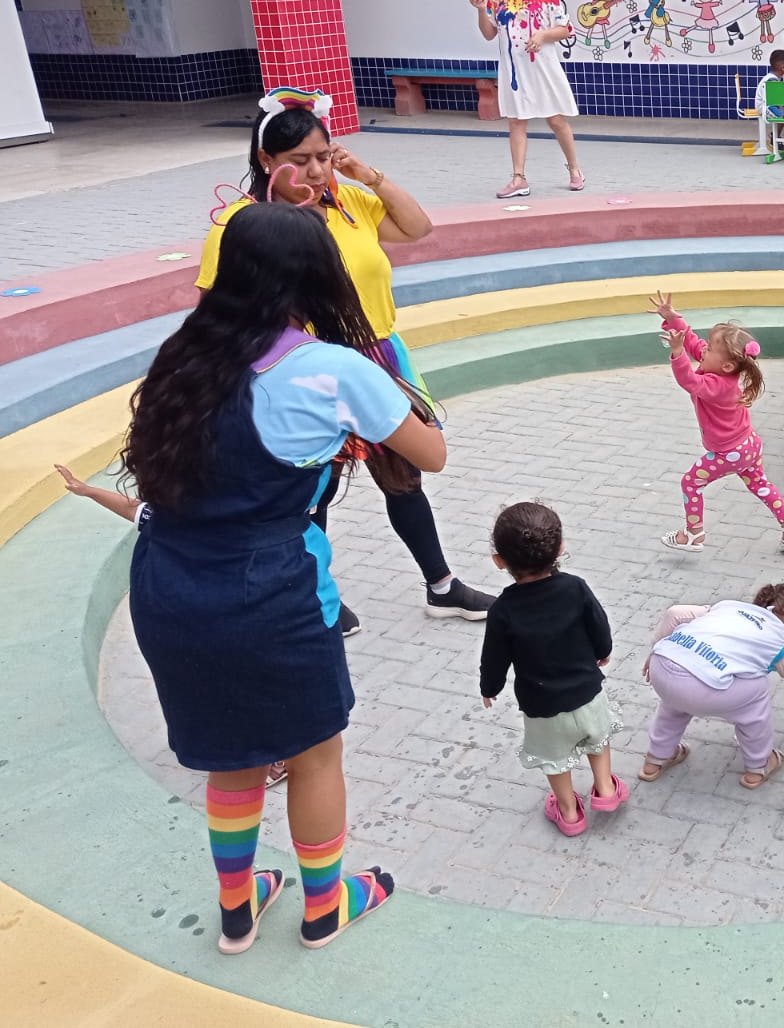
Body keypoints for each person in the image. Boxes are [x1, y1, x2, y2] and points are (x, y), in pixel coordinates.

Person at [110, 203, 447, 953]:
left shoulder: (184, 353)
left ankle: (238, 906)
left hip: (167, 584)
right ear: (314, 275)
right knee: (312, 754)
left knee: (232, 757)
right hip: (268, 593)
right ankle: (324, 904)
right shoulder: (331, 369)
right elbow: (429, 454)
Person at [200, 90, 495, 639]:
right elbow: (217, 310)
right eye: (298, 160)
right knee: (315, 483)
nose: (314, 170)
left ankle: (441, 585)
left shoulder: (347, 201)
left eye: (322, 155)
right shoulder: (243, 225)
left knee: (403, 475)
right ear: (266, 161)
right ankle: (315, 596)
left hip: (377, 356)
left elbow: (418, 227)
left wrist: (367, 176)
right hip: (305, 369)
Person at [479, 501, 628, 837]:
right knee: (598, 739)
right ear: (560, 548)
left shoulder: (503, 610)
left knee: (555, 760)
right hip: (588, 693)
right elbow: (599, 625)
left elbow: (495, 657)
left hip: (543, 707)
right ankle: (605, 788)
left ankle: (569, 811)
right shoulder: (575, 588)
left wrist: (490, 686)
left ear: (499, 561)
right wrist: (603, 652)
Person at [648, 290, 784, 554]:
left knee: (690, 483)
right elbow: (692, 342)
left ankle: (694, 534)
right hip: (749, 444)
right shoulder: (718, 367)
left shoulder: (718, 385)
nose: (703, 348)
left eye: (710, 348)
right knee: (759, 483)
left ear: (728, 366)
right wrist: (673, 319)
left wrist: (676, 353)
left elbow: (689, 381)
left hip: (729, 451)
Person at [639, 583, 784, 787]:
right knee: (757, 692)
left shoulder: (728, 608)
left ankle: (657, 757)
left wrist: (655, 650)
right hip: (700, 691)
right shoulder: (780, 644)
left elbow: (675, 613)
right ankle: (759, 765)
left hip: (663, 667)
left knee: (677, 698)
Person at [470, 0, 584, 196]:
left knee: (556, 120)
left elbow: (565, 29)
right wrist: (480, 11)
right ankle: (519, 178)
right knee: (516, 122)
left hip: (543, 66)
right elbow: (490, 34)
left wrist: (542, 36)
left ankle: (575, 169)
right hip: (514, 70)